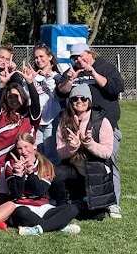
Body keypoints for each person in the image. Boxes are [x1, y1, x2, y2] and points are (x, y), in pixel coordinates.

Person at [57, 43, 125, 218]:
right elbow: (60, 93)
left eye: (81, 56)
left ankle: (113, 203)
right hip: (76, 126)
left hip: (103, 126)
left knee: (107, 164)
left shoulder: (106, 67)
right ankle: (79, 199)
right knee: (74, 164)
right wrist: (69, 80)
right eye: (74, 58)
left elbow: (115, 88)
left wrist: (93, 73)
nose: (78, 60)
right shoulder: (72, 71)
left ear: (90, 53)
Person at [50, 84, 116, 220]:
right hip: (74, 167)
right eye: (75, 99)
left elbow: (107, 152)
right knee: (56, 173)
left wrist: (89, 143)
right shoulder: (64, 120)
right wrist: (73, 146)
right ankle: (62, 206)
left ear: (89, 101)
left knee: (98, 216)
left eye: (83, 98)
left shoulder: (102, 121)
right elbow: (61, 152)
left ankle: (80, 205)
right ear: (70, 101)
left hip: (94, 170)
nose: (79, 101)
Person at [0, 62, 41, 200]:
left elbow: (36, 102)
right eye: (10, 96)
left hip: (24, 163)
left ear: (23, 97)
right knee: (0, 200)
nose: (13, 100)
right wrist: (2, 85)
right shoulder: (1, 114)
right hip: (0, 164)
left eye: (17, 96)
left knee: (23, 197)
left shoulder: (30, 116)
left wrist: (30, 83)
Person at [7, 133, 81, 236]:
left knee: (72, 209)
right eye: (19, 148)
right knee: (21, 212)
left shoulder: (45, 164)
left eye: (26, 147)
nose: (23, 151)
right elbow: (16, 194)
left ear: (34, 146)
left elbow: (39, 191)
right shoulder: (11, 165)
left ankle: (39, 229)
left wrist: (31, 173)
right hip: (22, 206)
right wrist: (19, 175)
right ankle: (58, 226)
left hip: (42, 207)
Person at [30, 43, 63, 163]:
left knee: (52, 154)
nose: (38, 60)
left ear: (49, 57)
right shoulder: (32, 76)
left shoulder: (56, 76)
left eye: (41, 56)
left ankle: (54, 174)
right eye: (36, 57)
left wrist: (49, 78)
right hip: (36, 121)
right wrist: (29, 81)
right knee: (37, 154)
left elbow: (57, 96)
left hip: (52, 119)